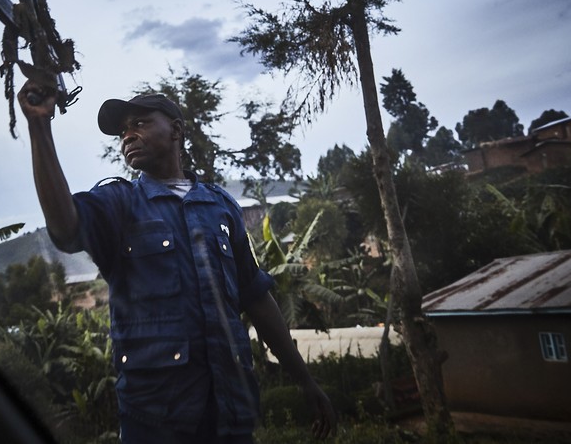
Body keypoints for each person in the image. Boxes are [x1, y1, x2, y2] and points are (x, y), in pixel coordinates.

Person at [18, 82, 336, 443]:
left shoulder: (221, 206)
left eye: (139, 123)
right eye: (123, 131)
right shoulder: (120, 203)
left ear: (176, 130)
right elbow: (64, 228)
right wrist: (40, 127)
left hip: (231, 414)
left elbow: (256, 299)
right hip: (156, 422)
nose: (127, 136)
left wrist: (305, 382)